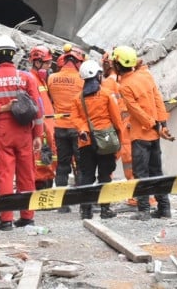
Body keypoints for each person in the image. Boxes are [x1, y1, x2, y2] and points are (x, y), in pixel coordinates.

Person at [0, 35, 44, 231]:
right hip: (24, 131)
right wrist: (38, 134)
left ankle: (6, 220)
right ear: (13, 55)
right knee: (27, 174)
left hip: (2, 131)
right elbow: (38, 108)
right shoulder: (26, 77)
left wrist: (1, 109)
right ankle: (27, 217)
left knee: (4, 175)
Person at [112, 45, 174, 221]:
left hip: (140, 136)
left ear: (118, 65)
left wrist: (152, 124)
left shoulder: (124, 85)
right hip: (154, 135)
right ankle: (164, 209)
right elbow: (157, 100)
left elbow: (136, 110)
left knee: (141, 174)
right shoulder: (146, 75)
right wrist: (162, 124)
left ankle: (144, 210)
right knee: (157, 172)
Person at [71, 60, 124, 220]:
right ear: (98, 76)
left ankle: (85, 210)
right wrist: (119, 141)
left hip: (86, 143)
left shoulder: (77, 99)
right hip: (106, 142)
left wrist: (83, 130)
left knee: (86, 176)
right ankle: (105, 209)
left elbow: (75, 119)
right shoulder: (107, 94)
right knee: (105, 176)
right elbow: (116, 120)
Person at [46, 43, 85, 213]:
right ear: (78, 62)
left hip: (59, 127)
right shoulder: (81, 80)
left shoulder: (51, 78)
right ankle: (85, 202)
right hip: (76, 127)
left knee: (62, 165)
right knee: (82, 164)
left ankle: (62, 204)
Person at [28, 45, 57, 190]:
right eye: (46, 63)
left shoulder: (40, 80)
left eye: (49, 63)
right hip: (42, 129)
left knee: (47, 160)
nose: (49, 66)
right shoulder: (32, 79)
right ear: (37, 62)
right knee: (40, 161)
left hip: (48, 129)